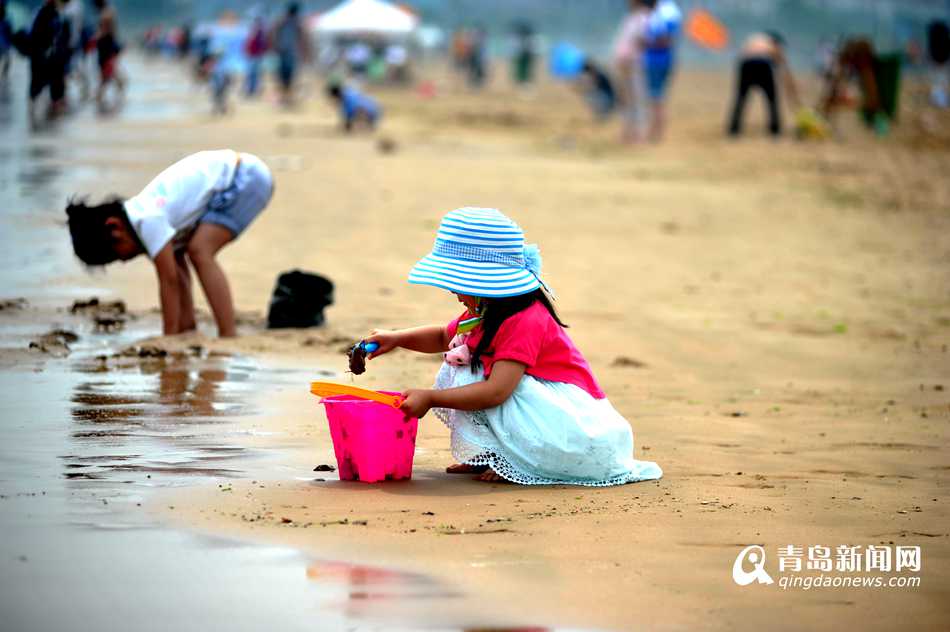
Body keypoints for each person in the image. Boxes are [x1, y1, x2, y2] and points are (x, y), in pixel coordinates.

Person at [363, 207, 663, 486]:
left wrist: (431, 398)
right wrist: (398, 338)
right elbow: (444, 336)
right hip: (534, 409)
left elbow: (497, 392)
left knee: (473, 372)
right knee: (461, 357)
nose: (453, 291)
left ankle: (517, 462)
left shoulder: (525, 320)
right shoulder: (487, 309)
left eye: (458, 282)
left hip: (569, 429)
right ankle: (489, 455)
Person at [65, 150, 274, 338]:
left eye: (116, 255)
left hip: (244, 179)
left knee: (200, 251)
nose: (124, 260)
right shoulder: (141, 217)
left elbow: (169, 281)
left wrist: (169, 338)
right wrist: (184, 330)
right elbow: (177, 271)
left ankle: (228, 333)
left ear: (115, 226)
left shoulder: (146, 220)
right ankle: (188, 327)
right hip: (241, 174)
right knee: (179, 254)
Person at [727, 31, 800, 137]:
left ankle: (734, 129)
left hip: (745, 64)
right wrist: (791, 86)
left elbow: (741, 54)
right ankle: (775, 129)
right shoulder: (772, 43)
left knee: (741, 98)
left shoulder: (753, 39)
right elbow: (781, 62)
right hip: (763, 64)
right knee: (771, 99)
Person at [642, 0, 681, 141]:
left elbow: (665, 39)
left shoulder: (664, 14)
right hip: (664, 60)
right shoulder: (671, 13)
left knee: (655, 98)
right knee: (657, 97)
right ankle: (656, 131)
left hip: (656, 61)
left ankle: (655, 132)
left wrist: (645, 42)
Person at [613, 0, 651, 143]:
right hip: (624, 62)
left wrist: (631, 55)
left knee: (637, 98)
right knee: (626, 99)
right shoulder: (630, 18)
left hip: (635, 63)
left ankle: (639, 135)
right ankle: (627, 132)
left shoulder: (644, 18)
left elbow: (644, 41)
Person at [27, 0, 68, 126]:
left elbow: (57, 35)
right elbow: (37, 36)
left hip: (49, 56)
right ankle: (35, 111)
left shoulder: (54, 13)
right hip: (43, 55)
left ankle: (48, 110)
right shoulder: (45, 13)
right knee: (40, 83)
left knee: (48, 83)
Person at [271, 2, 310, 106]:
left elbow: (274, 35)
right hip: (287, 53)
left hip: (287, 53)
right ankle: (285, 98)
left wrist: (275, 47)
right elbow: (303, 39)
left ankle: (286, 98)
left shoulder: (284, 22)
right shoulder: (287, 22)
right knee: (286, 77)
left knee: (286, 77)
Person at [92, 0, 125, 113]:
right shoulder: (110, 12)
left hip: (106, 48)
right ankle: (117, 91)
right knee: (108, 73)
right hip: (109, 47)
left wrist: (94, 38)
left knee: (106, 73)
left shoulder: (105, 14)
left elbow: (104, 32)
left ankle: (99, 96)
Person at [926, 21, 948, 108]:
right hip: (938, 58)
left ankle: (938, 97)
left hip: (939, 58)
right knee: (938, 78)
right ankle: (938, 98)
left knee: (939, 78)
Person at [243, 16, 267, 97]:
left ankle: (253, 90)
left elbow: (263, 45)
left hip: (257, 56)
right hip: (252, 55)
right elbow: (248, 44)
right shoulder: (253, 32)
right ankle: (250, 90)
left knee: (255, 74)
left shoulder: (260, 33)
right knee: (251, 74)